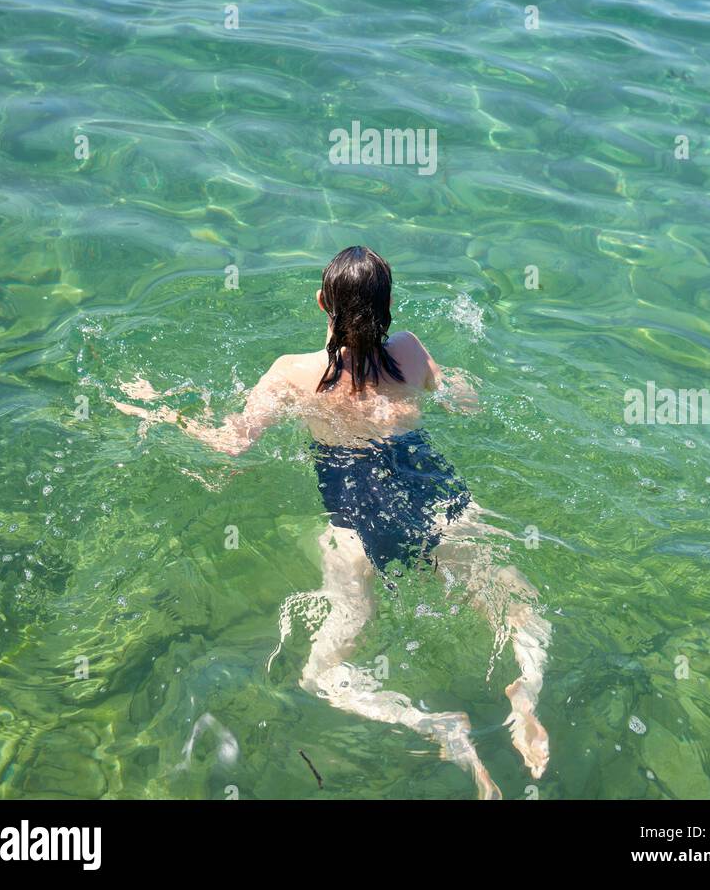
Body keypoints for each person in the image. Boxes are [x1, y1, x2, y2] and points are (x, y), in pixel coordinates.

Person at [115, 246, 550, 799]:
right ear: (389, 304)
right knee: (520, 611)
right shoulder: (412, 352)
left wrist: (157, 410)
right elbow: (464, 403)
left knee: (321, 675)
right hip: (438, 498)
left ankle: (432, 725)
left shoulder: (293, 373)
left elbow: (231, 445)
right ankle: (526, 695)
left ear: (322, 302)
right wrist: (455, 384)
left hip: (355, 523)